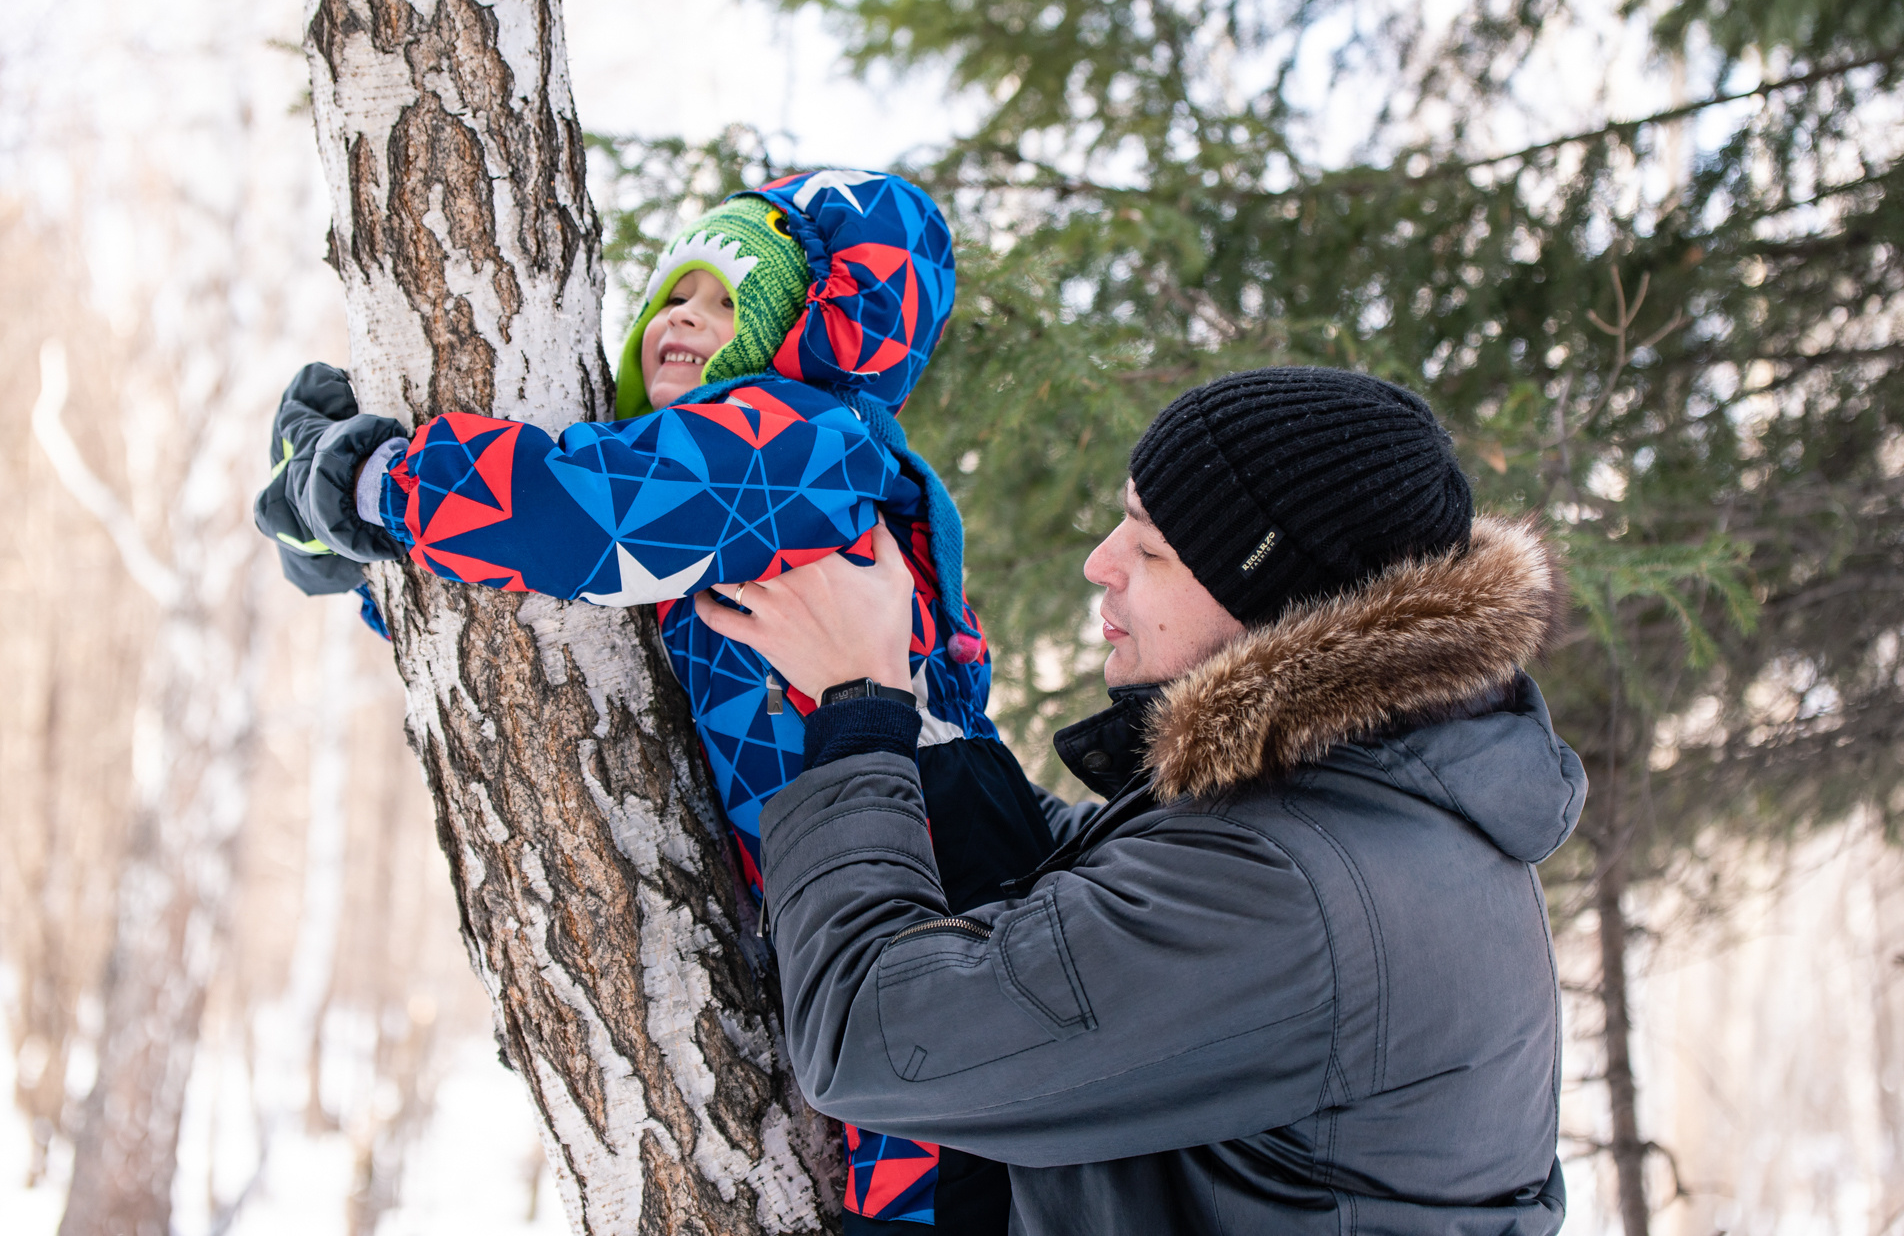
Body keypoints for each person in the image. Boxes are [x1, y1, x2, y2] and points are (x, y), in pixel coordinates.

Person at [253, 170, 1057, 1233]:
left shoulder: (803, 443)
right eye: (677, 291)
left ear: (800, 333)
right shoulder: (734, 502)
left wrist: (371, 487)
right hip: (863, 895)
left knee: (920, 1166)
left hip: (924, 893)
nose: (687, 315)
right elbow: (577, 615)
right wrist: (373, 584)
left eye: (734, 301)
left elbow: (583, 519)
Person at [699, 366, 1586, 1235]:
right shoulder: (1380, 799)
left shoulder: (1294, 896)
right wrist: (929, 728)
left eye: (1149, 546)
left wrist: (861, 710)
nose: (1101, 564)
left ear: (1271, 603)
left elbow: (869, 1039)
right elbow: (1121, 902)